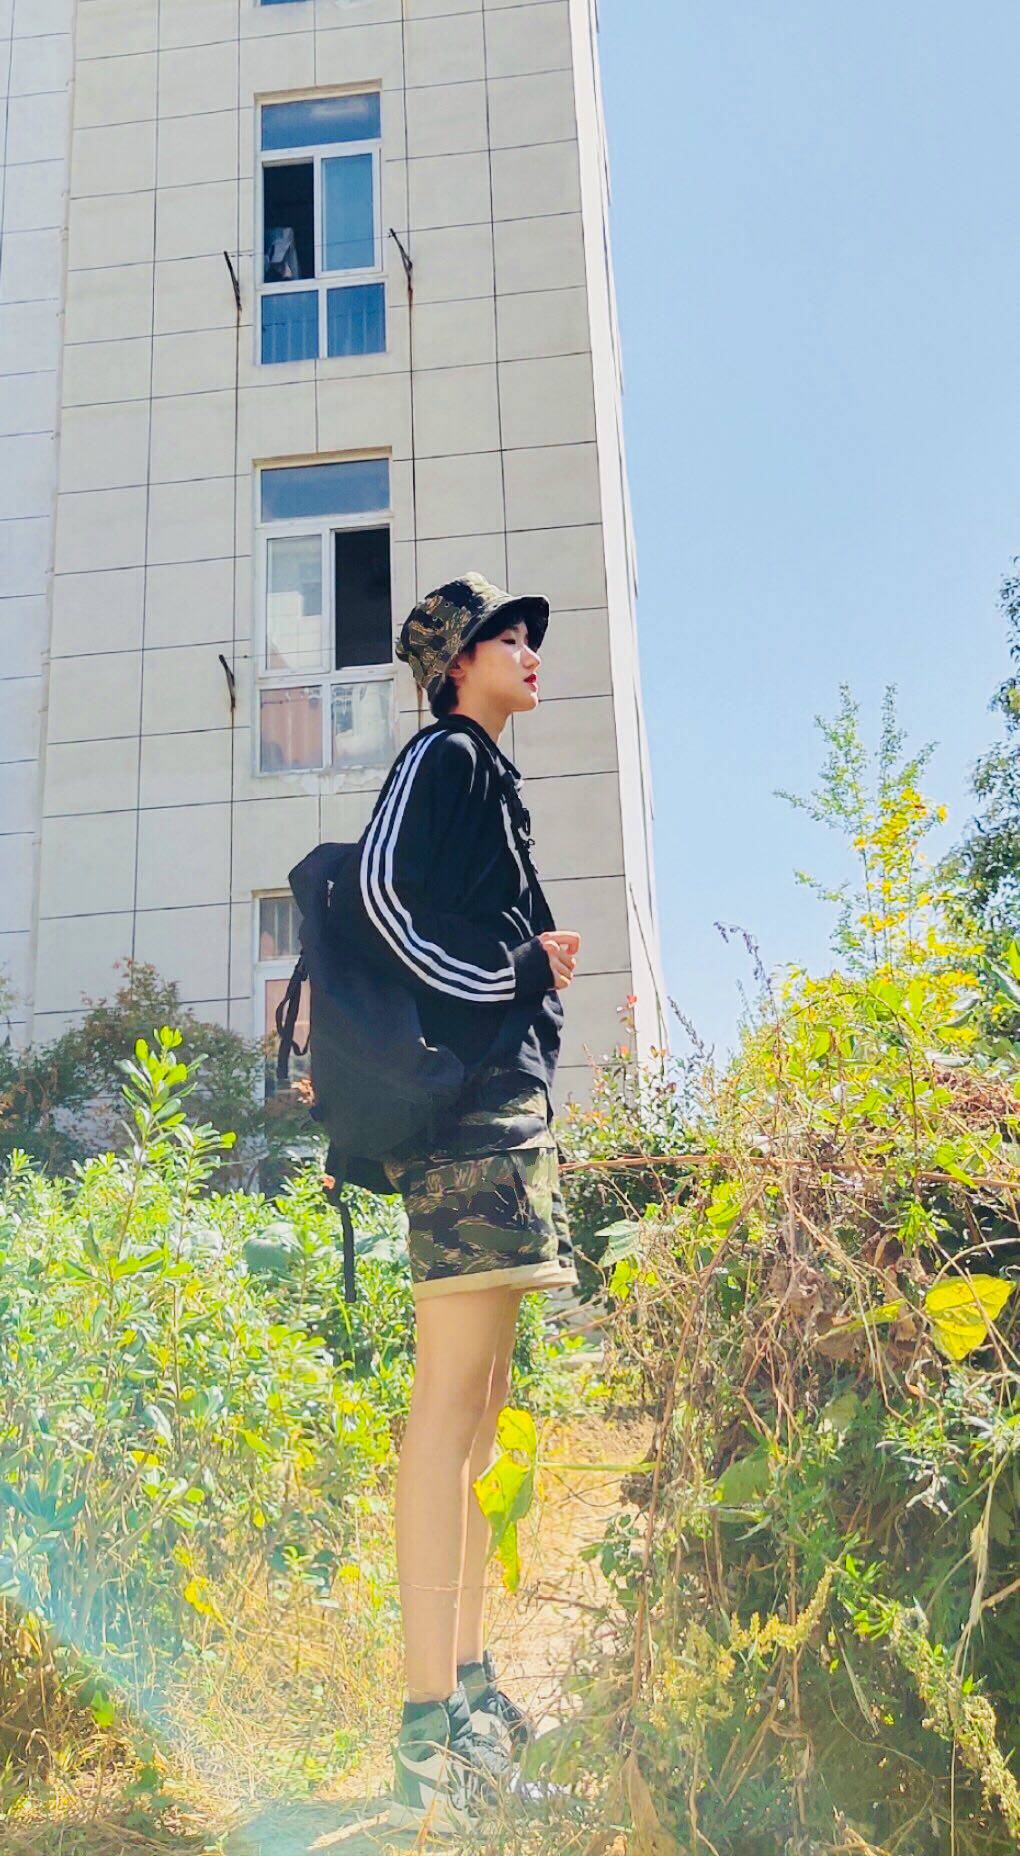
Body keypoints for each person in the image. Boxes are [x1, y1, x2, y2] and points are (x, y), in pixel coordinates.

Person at [338, 572, 582, 1834]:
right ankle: (427, 1732)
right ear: (455, 663)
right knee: (448, 1407)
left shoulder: (485, 773)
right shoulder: (441, 756)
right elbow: (382, 898)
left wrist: (528, 964)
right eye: (506, 636)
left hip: (499, 1120)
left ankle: (470, 1694)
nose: (529, 649)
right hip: (460, 1123)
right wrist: (506, 973)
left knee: (483, 1406)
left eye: (530, 635)